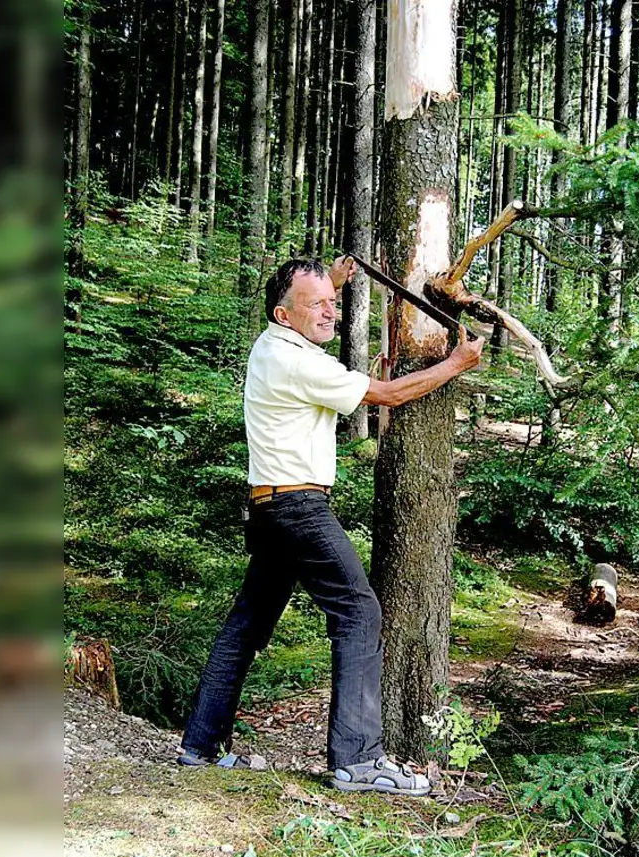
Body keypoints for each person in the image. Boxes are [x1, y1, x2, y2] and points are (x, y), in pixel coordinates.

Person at [176, 257, 483, 796]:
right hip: (297, 508)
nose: (330, 312)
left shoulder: (275, 345)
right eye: (316, 305)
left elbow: (312, 311)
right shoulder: (297, 361)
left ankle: (201, 744)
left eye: (333, 303)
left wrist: (328, 284)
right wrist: (456, 363)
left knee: (246, 625)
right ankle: (358, 762)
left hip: (272, 508)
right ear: (282, 313)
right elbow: (386, 395)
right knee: (359, 612)